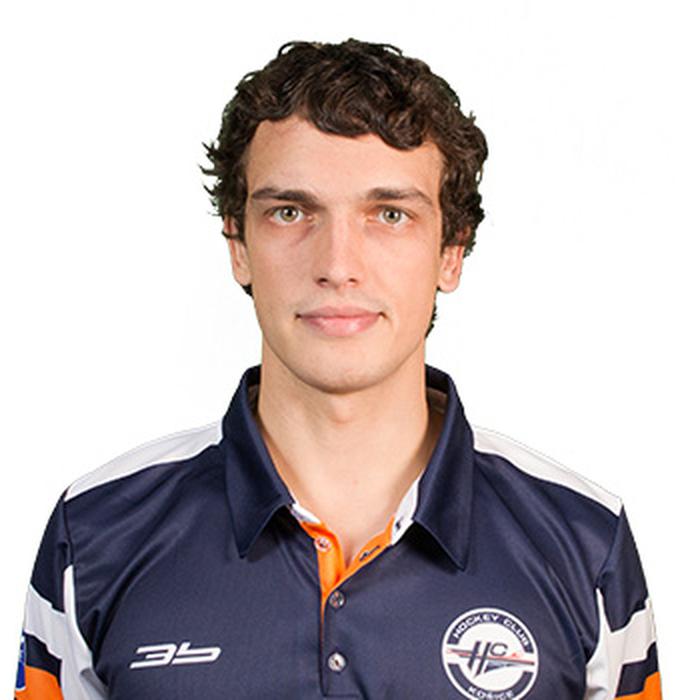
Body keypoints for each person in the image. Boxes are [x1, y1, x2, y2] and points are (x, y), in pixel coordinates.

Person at [14, 38, 661, 700]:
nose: (337, 265)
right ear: (238, 245)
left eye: (390, 215)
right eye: (290, 212)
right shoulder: (95, 535)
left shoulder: (585, 543)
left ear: (451, 251)